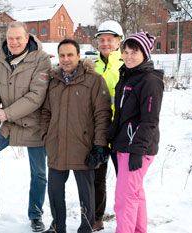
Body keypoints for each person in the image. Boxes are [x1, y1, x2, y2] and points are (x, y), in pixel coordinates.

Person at [0, 21, 51, 232]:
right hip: (7, 124)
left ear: (27, 37)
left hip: (34, 124)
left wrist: (6, 112)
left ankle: (36, 214)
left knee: (39, 171)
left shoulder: (41, 59)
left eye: (18, 38)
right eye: (10, 38)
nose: (14, 42)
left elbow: (36, 96)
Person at [40, 39, 111, 233]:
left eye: (70, 54)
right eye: (62, 55)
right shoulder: (53, 81)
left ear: (79, 56)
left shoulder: (94, 80)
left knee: (86, 193)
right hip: (57, 146)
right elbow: (46, 112)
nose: (66, 59)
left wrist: (99, 145)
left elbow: (103, 114)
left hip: (83, 147)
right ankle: (57, 226)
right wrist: (47, 135)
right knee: (54, 191)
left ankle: (86, 227)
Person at [110, 32, 163, 233]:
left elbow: (150, 120)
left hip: (137, 147)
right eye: (126, 51)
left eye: (135, 52)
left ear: (145, 54)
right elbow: (121, 114)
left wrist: (137, 151)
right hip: (124, 144)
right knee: (134, 193)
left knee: (124, 198)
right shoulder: (127, 76)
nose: (129, 56)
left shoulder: (150, 80)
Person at [92, 20, 124, 231]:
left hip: (121, 131)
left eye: (109, 40)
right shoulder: (91, 66)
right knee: (97, 177)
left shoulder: (126, 62)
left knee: (125, 181)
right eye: (101, 40)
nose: (105, 43)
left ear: (118, 41)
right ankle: (96, 218)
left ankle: (126, 219)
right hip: (98, 131)